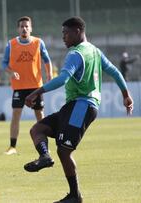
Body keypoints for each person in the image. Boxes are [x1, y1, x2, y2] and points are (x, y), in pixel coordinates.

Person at [23, 17, 133, 203]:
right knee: (37, 130)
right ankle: (44, 157)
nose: (63, 37)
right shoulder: (95, 51)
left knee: (64, 150)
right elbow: (114, 71)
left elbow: (63, 78)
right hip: (73, 106)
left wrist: (37, 91)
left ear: (78, 31)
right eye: (62, 33)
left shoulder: (76, 54)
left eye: (66, 33)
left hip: (82, 107)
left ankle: (75, 196)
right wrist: (125, 94)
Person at [1, 16, 53, 155]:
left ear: (31, 28)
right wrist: (11, 73)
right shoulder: (11, 44)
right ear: (18, 29)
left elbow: (47, 59)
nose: (24, 28)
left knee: (40, 115)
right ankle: (12, 147)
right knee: (16, 115)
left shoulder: (38, 42)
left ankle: (45, 146)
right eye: (22, 26)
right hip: (19, 87)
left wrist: (49, 74)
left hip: (35, 86)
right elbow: (4, 64)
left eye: (26, 26)